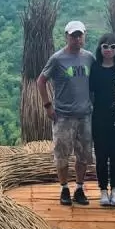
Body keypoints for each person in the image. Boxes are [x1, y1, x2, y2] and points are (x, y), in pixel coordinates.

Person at [37, 20, 96, 206]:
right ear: (66, 36)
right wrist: (47, 105)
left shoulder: (89, 58)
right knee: (62, 154)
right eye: (73, 35)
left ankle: (79, 188)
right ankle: (64, 188)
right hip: (63, 116)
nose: (77, 39)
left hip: (85, 115)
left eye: (80, 35)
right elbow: (41, 81)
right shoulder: (57, 58)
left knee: (84, 154)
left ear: (84, 35)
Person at [89, 32, 115, 207]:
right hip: (99, 118)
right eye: (105, 46)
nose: (108, 50)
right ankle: (103, 191)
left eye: (112, 47)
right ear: (100, 48)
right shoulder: (95, 69)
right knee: (100, 156)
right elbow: (90, 92)